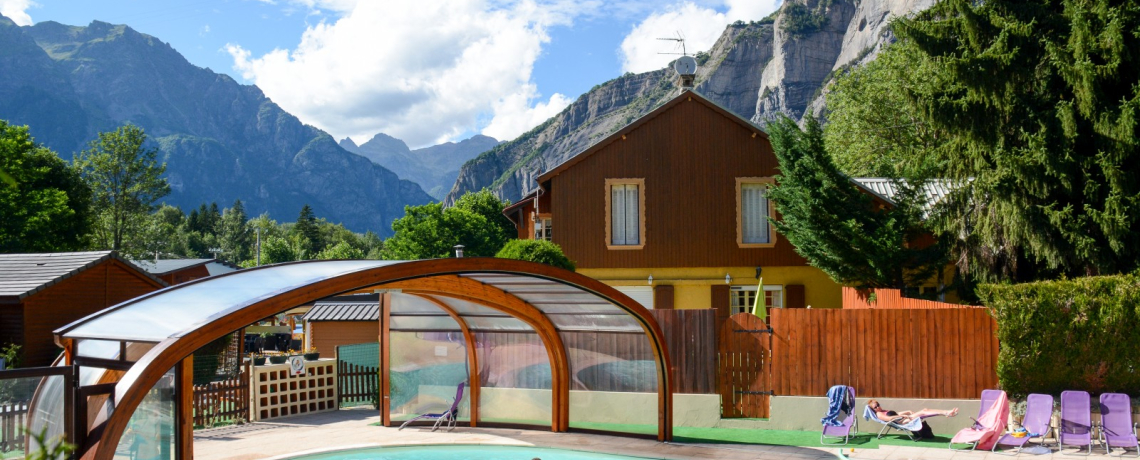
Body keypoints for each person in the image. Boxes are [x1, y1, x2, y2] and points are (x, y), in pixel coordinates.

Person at [867, 399, 958, 440]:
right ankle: (947, 413)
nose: (878, 407)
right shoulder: (879, 414)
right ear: (873, 410)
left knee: (925, 410)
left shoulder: (883, 410)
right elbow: (889, 418)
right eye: (875, 407)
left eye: (878, 404)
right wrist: (904, 417)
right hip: (902, 422)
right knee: (923, 412)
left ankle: (946, 413)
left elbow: (897, 413)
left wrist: (907, 411)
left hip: (903, 419)